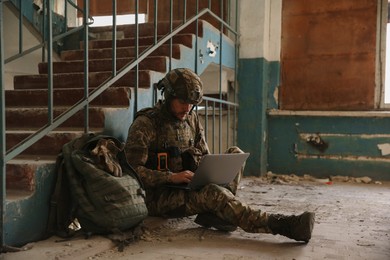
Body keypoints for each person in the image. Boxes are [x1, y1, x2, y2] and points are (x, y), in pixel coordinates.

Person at [124, 68, 315, 243]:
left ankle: (218, 212)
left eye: (192, 104)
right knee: (214, 194)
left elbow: (204, 155)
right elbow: (131, 173)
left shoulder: (191, 118)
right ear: (168, 96)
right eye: (183, 102)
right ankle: (282, 225)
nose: (187, 109)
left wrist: (206, 173)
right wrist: (171, 176)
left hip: (187, 185)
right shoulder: (146, 124)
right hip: (158, 197)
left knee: (235, 154)